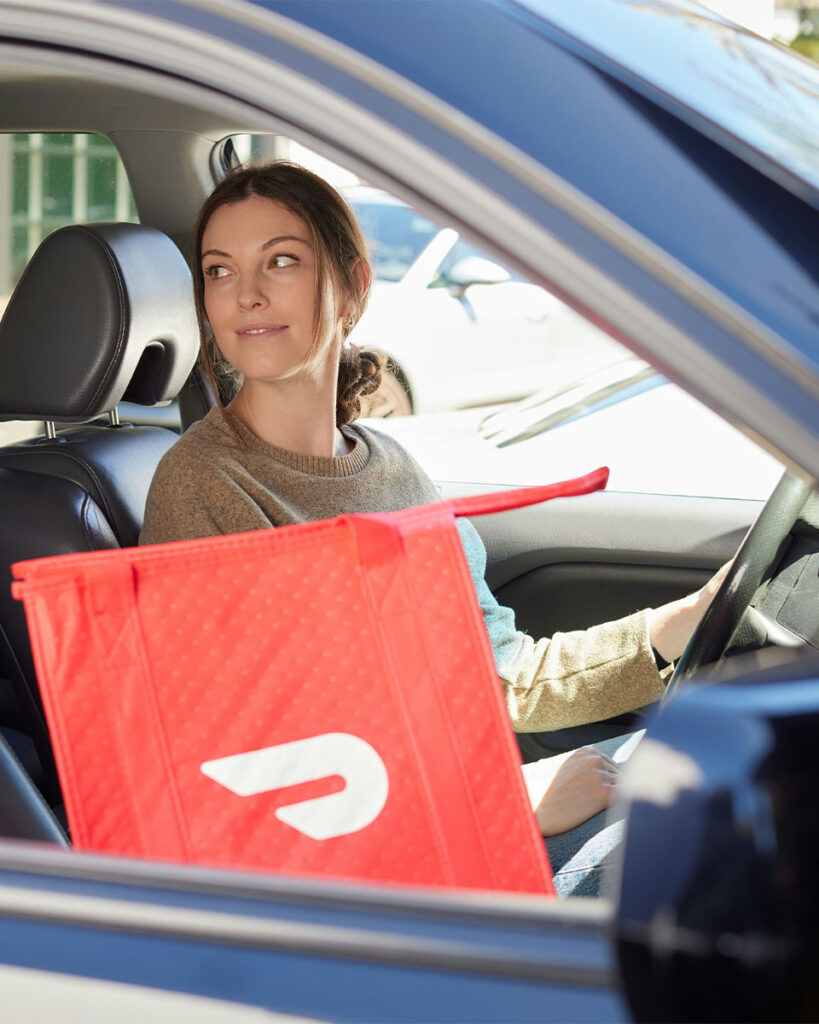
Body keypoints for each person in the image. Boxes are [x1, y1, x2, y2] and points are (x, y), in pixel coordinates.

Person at [140, 162, 726, 896]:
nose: (246, 293)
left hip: (441, 824)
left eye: (280, 260)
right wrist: (504, 805)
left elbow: (493, 676)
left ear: (352, 286)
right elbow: (250, 770)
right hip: (352, 879)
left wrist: (676, 625)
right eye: (219, 270)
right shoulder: (203, 485)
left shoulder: (394, 470)